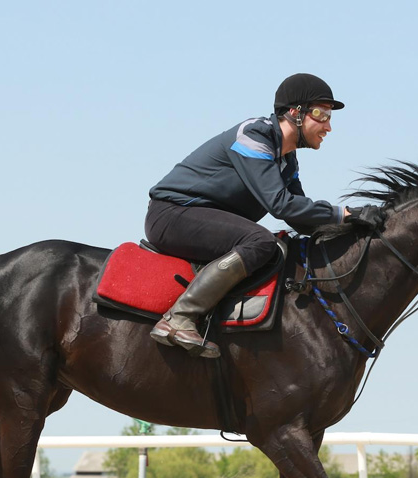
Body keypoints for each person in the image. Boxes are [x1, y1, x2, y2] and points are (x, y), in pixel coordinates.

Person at [144, 73, 384, 358]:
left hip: (196, 218)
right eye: (321, 114)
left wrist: (351, 226)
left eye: (329, 117)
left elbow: (298, 218)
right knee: (260, 242)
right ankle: (180, 317)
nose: (328, 126)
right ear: (295, 113)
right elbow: (280, 204)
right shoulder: (254, 134)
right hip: (171, 215)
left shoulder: (287, 159)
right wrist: (343, 213)